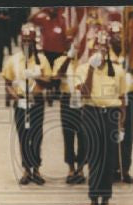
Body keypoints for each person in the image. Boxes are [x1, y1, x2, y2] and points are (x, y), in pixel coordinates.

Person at [78, 31, 127, 205]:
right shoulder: (84, 68)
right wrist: (91, 68)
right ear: (92, 49)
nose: (101, 51)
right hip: (91, 113)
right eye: (98, 47)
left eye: (104, 48)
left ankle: (105, 200)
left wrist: (121, 125)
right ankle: (93, 200)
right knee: (95, 158)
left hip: (111, 116)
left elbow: (122, 100)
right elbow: (84, 93)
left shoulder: (118, 70)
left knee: (109, 160)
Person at [3, 24, 52, 186]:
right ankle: (26, 169)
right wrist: (14, 97)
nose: (26, 43)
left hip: (36, 101)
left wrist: (37, 77)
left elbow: (48, 83)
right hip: (21, 101)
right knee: (23, 136)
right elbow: (7, 82)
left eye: (29, 41)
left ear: (34, 42)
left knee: (36, 135)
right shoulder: (14, 60)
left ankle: (36, 169)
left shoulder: (42, 60)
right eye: (24, 40)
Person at [49, 44, 86, 185]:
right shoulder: (60, 59)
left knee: (83, 135)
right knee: (68, 134)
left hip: (83, 99)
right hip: (67, 98)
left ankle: (81, 168)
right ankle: (71, 168)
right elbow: (58, 75)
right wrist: (69, 58)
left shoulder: (87, 60)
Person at [110, 21, 133, 184]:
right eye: (114, 36)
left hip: (130, 95)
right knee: (114, 133)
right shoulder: (107, 56)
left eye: (119, 35)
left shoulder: (131, 55)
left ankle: (125, 169)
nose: (117, 39)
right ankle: (113, 168)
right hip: (114, 96)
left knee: (128, 134)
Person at [30, 7, 70, 105]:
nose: (53, 10)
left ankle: (56, 90)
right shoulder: (44, 18)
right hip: (47, 51)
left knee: (57, 72)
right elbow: (31, 19)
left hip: (60, 52)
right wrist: (43, 10)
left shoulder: (63, 19)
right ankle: (49, 89)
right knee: (48, 72)